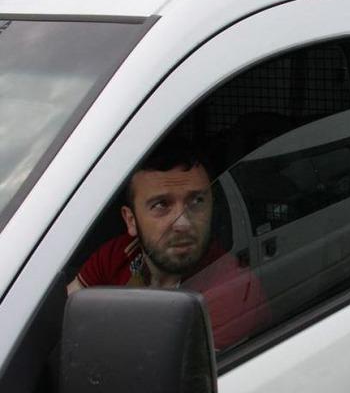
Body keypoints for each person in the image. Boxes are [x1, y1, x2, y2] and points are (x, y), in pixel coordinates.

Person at [67, 139, 269, 351]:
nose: (182, 223)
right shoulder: (117, 255)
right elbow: (61, 313)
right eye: (161, 205)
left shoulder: (229, 289)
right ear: (131, 220)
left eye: (196, 201)